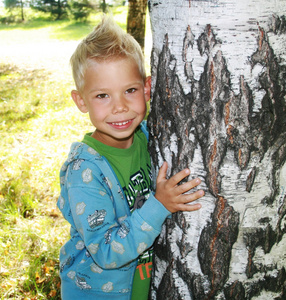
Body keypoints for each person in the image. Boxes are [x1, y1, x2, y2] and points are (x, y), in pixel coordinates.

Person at [57, 15, 205, 300]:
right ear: (81, 101)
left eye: (130, 90)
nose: (120, 107)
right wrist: (159, 205)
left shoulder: (149, 137)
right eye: (102, 96)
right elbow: (105, 251)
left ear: (147, 89)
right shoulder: (84, 172)